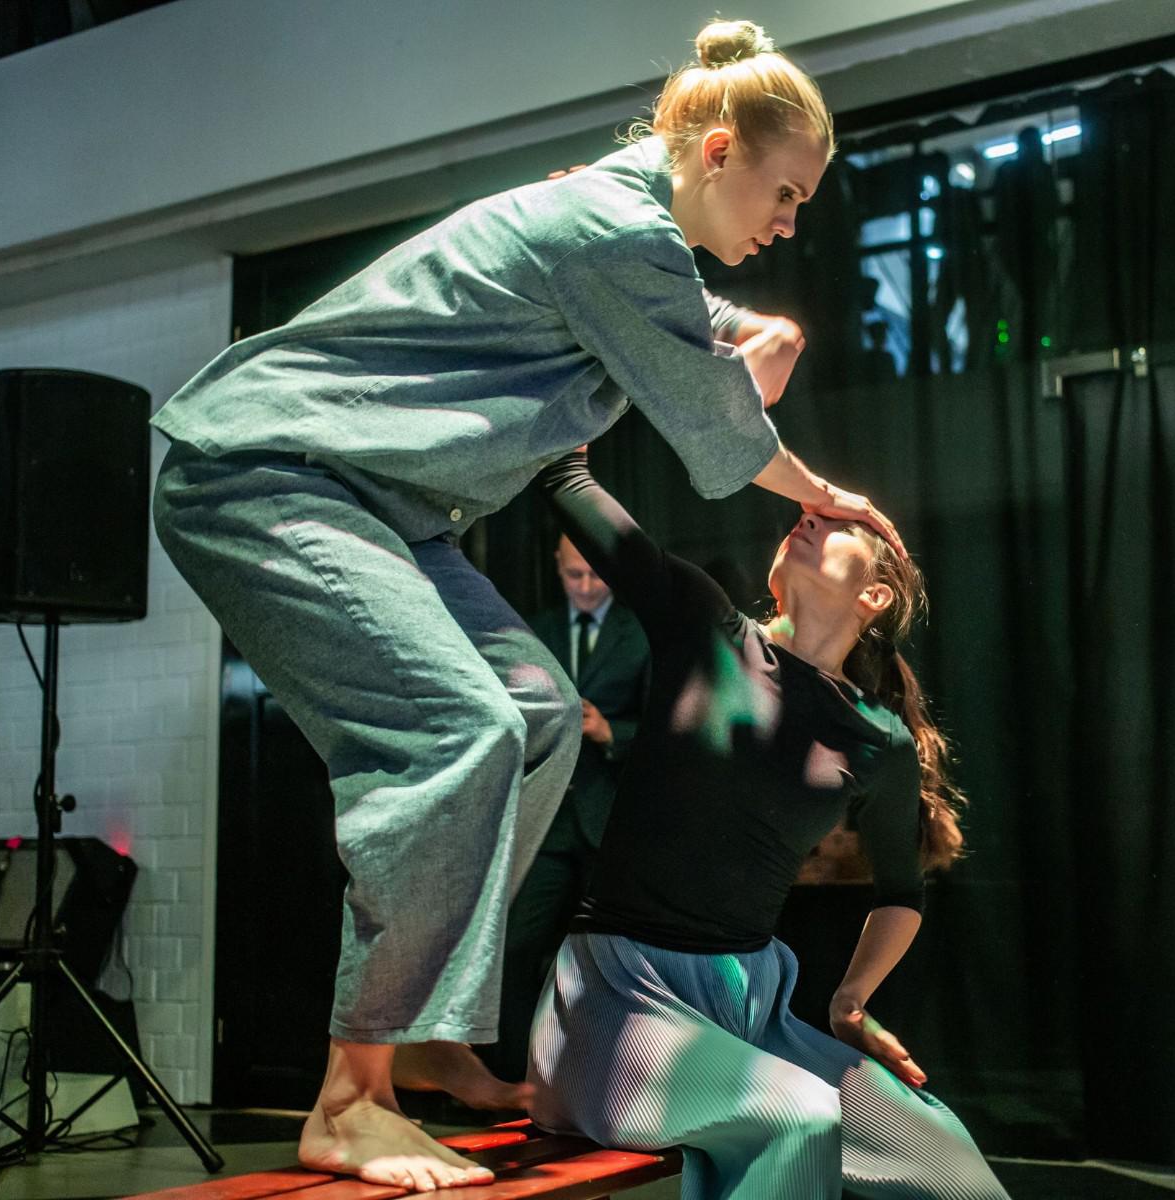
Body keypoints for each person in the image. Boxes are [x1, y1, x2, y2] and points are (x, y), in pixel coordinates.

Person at [149, 18, 901, 1191]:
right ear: (716, 153)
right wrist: (819, 489)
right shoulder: (611, 226)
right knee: (460, 729)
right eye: (786, 192)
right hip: (268, 472)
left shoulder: (625, 234)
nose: (790, 223)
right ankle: (349, 1100)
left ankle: (425, 1032)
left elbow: (713, 344)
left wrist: (763, 333)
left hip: (385, 505)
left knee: (540, 713)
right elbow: (720, 435)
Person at [527, 450, 1008, 1200]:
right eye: (808, 510)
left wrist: (851, 1000)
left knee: (950, 1166)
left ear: (875, 594)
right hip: (613, 1004)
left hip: (746, 1009)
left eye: (839, 522)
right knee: (799, 1118)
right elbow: (565, 478)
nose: (810, 513)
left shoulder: (877, 738)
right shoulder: (705, 626)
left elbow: (900, 893)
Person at [473, 534, 651, 1085]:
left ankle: (611, 1079)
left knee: (610, 958)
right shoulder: (534, 632)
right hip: (546, 817)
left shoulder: (642, 633)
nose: (587, 586)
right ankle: (511, 1077)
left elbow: (668, 730)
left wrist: (609, 731)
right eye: (575, 574)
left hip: (610, 820)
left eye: (596, 574)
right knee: (517, 945)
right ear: (557, 565)